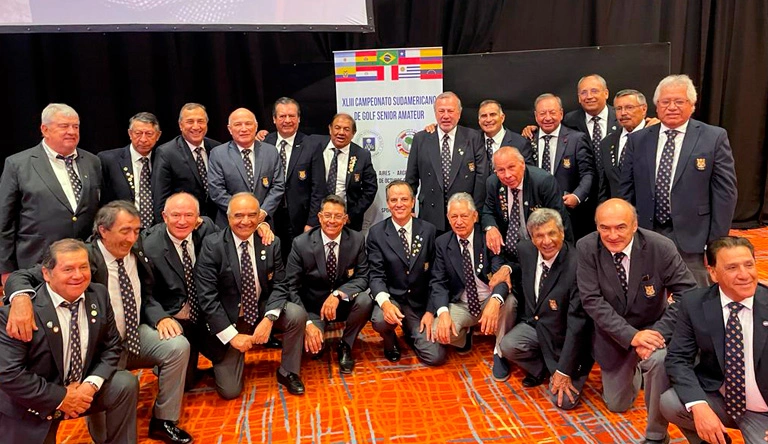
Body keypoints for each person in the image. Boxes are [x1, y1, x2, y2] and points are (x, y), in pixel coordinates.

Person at [4, 201, 193, 444]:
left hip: (132, 336)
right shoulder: (82, 257)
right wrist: (20, 298)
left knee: (177, 346)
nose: (132, 238)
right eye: (125, 231)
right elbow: (23, 275)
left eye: (136, 230)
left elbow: (146, 294)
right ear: (103, 230)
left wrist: (160, 316)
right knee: (103, 433)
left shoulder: (138, 248)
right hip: (94, 348)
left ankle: (164, 421)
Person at [576, 198, 697, 444]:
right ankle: (636, 369)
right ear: (597, 227)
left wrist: (656, 333)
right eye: (604, 228)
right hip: (613, 335)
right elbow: (591, 300)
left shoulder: (660, 247)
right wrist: (631, 336)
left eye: (620, 227)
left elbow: (688, 293)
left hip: (654, 329)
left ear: (634, 225)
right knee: (617, 404)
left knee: (658, 362)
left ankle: (656, 435)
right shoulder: (586, 247)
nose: (612, 235)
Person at [0, 239, 138, 444]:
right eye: (68, 269)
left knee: (124, 383)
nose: (78, 275)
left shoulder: (98, 295)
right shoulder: (18, 315)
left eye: (83, 267)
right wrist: (62, 397)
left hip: (83, 389)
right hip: (34, 402)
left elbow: (112, 347)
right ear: (47, 274)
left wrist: (90, 386)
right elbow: (10, 374)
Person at [619, 74, 738, 287]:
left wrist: (716, 243)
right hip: (646, 234)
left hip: (694, 239)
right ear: (656, 106)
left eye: (679, 101)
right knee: (648, 293)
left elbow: (725, 195)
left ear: (692, 105)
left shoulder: (713, 137)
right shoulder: (638, 140)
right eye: (665, 102)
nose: (672, 107)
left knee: (694, 295)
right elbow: (626, 190)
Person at [195, 192, 307, 397]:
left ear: (259, 217)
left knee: (296, 314)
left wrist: (270, 318)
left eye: (252, 215)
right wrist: (232, 336)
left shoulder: (270, 242)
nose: (245, 221)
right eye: (238, 215)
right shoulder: (213, 245)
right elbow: (207, 297)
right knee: (230, 391)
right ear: (228, 217)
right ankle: (224, 363)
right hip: (229, 317)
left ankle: (288, 371)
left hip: (260, 308)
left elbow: (280, 284)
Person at [661, 237, 768, 444]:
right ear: (713, 273)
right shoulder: (694, 303)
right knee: (671, 402)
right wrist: (699, 405)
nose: (744, 275)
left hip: (764, 411)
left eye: (749, 265)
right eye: (732, 268)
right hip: (722, 400)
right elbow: (678, 358)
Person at [499, 209, 593, 409]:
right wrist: (507, 269)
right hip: (537, 324)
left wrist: (564, 370)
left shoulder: (577, 265)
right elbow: (517, 266)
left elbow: (578, 324)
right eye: (539, 235)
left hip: (566, 337)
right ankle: (544, 370)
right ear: (532, 238)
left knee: (564, 402)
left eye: (552, 233)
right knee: (508, 345)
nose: (546, 241)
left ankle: (561, 370)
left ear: (562, 233)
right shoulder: (525, 250)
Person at [0, 103, 102, 284]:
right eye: (64, 126)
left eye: (76, 126)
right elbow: (4, 222)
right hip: (37, 263)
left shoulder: (92, 162)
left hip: (84, 264)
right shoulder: (18, 164)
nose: (71, 131)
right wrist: (6, 269)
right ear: (44, 129)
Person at [279, 194, 373, 374]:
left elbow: (363, 277)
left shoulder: (356, 239)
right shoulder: (301, 243)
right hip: (313, 308)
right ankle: (316, 331)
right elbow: (291, 286)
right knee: (313, 351)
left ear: (345, 219)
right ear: (320, 217)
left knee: (365, 300)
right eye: (327, 215)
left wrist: (338, 294)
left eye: (338, 216)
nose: (332, 221)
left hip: (342, 304)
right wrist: (307, 323)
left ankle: (346, 344)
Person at [141, 192, 219, 390]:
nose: (182, 221)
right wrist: (160, 318)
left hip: (207, 316)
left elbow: (232, 239)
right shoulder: (149, 246)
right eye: (175, 215)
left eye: (189, 215)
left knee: (230, 387)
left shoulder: (207, 229)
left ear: (198, 218)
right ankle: (169, 364)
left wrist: (260, 227)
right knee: (185, 385)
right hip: (176, 319)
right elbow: (145, 294)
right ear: (164, 216)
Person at [430, 192, 517, 370]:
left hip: (488, 298)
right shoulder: (442, 243)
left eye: (464, 216)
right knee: (437, 331)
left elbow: (500, 273)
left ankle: (500, 352)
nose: (459, 222)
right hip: (462, 303)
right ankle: (464, 338)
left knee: (509, 302)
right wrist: (443, 312)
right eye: (454, 216)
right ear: (448, 217)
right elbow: (438, 282)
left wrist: (495, 300)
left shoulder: (488, 238)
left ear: (475, 216)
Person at [367, 180, 445, 366]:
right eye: (394, 200)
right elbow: (376, 275)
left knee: (435, 357)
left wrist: (430, 311)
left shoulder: (429, 230)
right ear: (388, 204)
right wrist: (385, 304)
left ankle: (411, 332)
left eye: (404, 199)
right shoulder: (377, 233)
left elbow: (436, 276)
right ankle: (390, 338)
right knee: (380, 320)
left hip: (419, 304)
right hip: (393, 299)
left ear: (413, 201)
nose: (399, 204)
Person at [405, 92, 487, 234]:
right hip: (430, 216)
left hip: (464, 216)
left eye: (450, 111)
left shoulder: (473, 137)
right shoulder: (421, 139)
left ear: (459, 113)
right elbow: (411, 179)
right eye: (441, 111)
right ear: (435, 113)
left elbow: (481, 178)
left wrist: (476, 211)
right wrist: (409, 210)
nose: (446, 116)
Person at [482, 146, 573, 265]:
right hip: (505, 253)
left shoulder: (543, 182)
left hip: (540, 251)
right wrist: (490, 228)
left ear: (522, 164)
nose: (507, 175)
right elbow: (488, 211)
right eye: (501, 170)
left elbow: (560, 222)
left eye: (511, 167)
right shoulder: (493, 183)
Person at [259, 97, 325, 260]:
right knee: (272, 259)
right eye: (282, 116)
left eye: (292, 116)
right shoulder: (264, 143)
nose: (287, 120)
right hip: (269, 217)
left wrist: (312, 222)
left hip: (299, 218)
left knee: (298, 261)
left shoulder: (310, 145)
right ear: (274, 119)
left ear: (299, 118)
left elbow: (318, 188)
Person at [523, 93, 595, 240]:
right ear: (536, 116)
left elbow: (588, 173)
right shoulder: (528, 139)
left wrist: (577, 196)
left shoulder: (576, 139)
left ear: (561, 114)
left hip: (568, 210)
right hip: (535, 211)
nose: (547, 118)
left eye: (552, 112)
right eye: (542, 113)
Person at [207, 108, 285, 227]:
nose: (244, 129)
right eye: (238, 124)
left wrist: (263, 211)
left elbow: (278, 185)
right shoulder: (218, 154)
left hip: (263, 223)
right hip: (230, 223)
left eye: (248, 124)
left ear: (256, 126)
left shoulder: (271, 152)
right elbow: (217, 191)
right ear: (230, 129)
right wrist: (245, 213)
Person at [305, 113, 376, 231]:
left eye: (346, 129)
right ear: (330, 129)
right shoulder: (314, 145)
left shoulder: (362, 155)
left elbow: (370, 189)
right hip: (315, 219)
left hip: (346, 221)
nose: (341, 132)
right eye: (337, 128)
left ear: (353, 133)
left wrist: (351, 215)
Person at [152, 103, 221, 221]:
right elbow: (160, 199)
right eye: (190, 122)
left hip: (216, 222)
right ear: (180, 125)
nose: (196, 127)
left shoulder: (217, 148)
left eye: (200, 121)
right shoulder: (166, 153)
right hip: (184, 223)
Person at [98, 112, 162, 228]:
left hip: (156, 229)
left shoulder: (163, 160)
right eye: (138, 133)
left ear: (158, 135)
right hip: (121, 227)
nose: (143, 139)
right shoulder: (109, 160)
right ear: (130, 133)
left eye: (149, 134)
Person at [598, 90, 650, 202]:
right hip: (617, 209)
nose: (623, 113)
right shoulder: (606, 143)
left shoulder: (655, 137)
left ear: (644, 109)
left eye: (629, 107)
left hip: (646, 209)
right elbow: (604, 186)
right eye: (618, 109)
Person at [476, 100, 530, 167]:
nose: (488, 120)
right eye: (484, 116)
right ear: (479, 120)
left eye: (493, 115)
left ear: (502, 118)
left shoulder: (520, 143)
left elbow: (526, 170)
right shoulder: (472, 140)